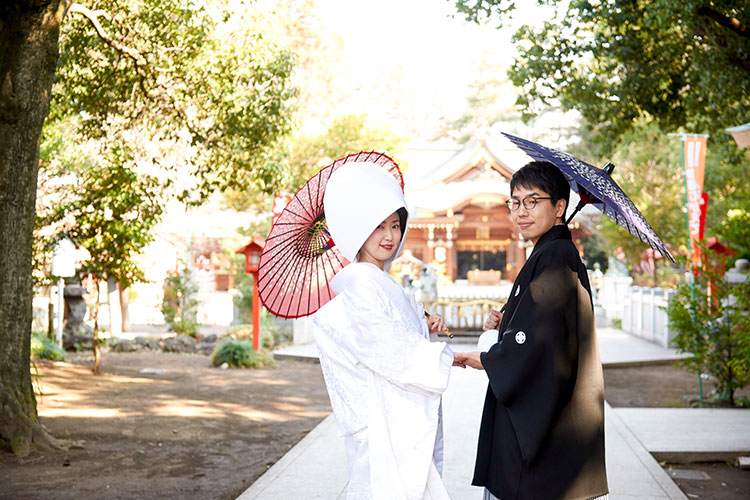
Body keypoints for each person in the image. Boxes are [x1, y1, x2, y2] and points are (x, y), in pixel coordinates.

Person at [455, 161, 609, 500]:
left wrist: (487, 356)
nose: (521, 211)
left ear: (560, 207)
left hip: (544, 430)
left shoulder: (554, 257)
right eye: (515, 201)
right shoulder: (551, 253)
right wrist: (506, 325)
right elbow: (540, 323)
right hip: (553, 420)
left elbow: (535, 342)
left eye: (533, 200)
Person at [312, 160, 463, 500]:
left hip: (394, 419)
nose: (389, 236)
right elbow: (386, 348)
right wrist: (450, 355)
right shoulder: (363, 283)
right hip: (383, 424)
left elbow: (396, 338)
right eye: (378, 226)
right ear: (358, 229)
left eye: (395, 225)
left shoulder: (380, 281)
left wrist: (424, 330)